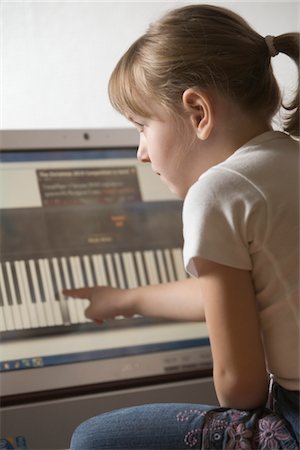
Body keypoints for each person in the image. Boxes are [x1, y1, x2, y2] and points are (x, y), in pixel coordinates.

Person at [64, 4, 299, 449]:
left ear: (197, 111)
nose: (142, 153)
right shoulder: (290, 159)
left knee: (93, 439)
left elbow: (240, 388)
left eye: (142, 127)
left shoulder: (217, 191)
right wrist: (125, 299)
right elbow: (240, 293)